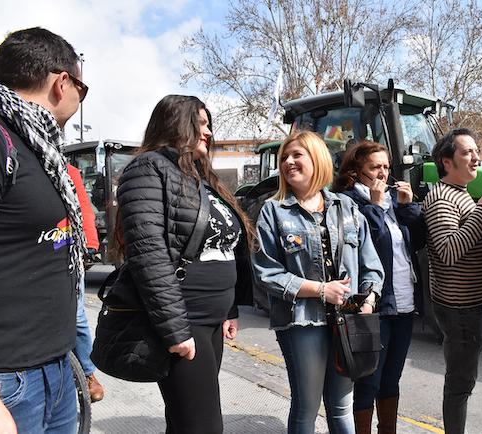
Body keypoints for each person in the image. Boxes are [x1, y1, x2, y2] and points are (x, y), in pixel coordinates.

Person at [112, 94, 253, 433]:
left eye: (208, 125)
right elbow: (148, 254)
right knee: (203, 427)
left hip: (210, 321)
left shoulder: (200, 178)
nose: (207, 132)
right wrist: (175, 331)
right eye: (200, 124)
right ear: (177, 123)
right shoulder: (148, 168)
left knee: (184, 423)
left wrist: (230, 308)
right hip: (184, 320)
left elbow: (224, 247)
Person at [252, 130, 384, 434]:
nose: (287, 161)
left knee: (341, 407)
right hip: (301, 323)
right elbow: (267, 272)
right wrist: (321, 290)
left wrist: (369, 299)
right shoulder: (273, 211)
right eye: (284, 157)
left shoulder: (347, 208)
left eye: (296, 154)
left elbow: (371, 266)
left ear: (317, 158)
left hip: (347, 322)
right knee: (306, 407)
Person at [0, 27, 87, 433]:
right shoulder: (2, 139)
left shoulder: (40, 145)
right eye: (82, 90)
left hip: (54, 369)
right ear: (61, 82)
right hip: (10, 382)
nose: (79, 101)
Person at [333, 140, 425, 434]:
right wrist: (373, 206)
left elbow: (417, 242)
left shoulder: (391, 201)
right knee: (368, 379)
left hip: (403, 301)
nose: (382, 173)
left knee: (391, 379)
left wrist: (407, 207)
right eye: (375, 167)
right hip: (372, 303)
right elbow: (363, 245)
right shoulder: (350, 202)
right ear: (357, 170)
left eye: (386, 167)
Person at [421, 128, 482, 434]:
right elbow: (450, 250)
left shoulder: (459, 193)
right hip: (461, 311)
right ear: (446, 162)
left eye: (476, 150)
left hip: (471, 307)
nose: (476, 157)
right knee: (460, 384)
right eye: (467, 152)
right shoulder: (441, 198)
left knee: (462, 381)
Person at [67, 163, 106, 403]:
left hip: (68, 252)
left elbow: (84, 209)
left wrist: (90, 243)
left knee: (77, 315)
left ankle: (88, 373)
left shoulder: (69, 170)